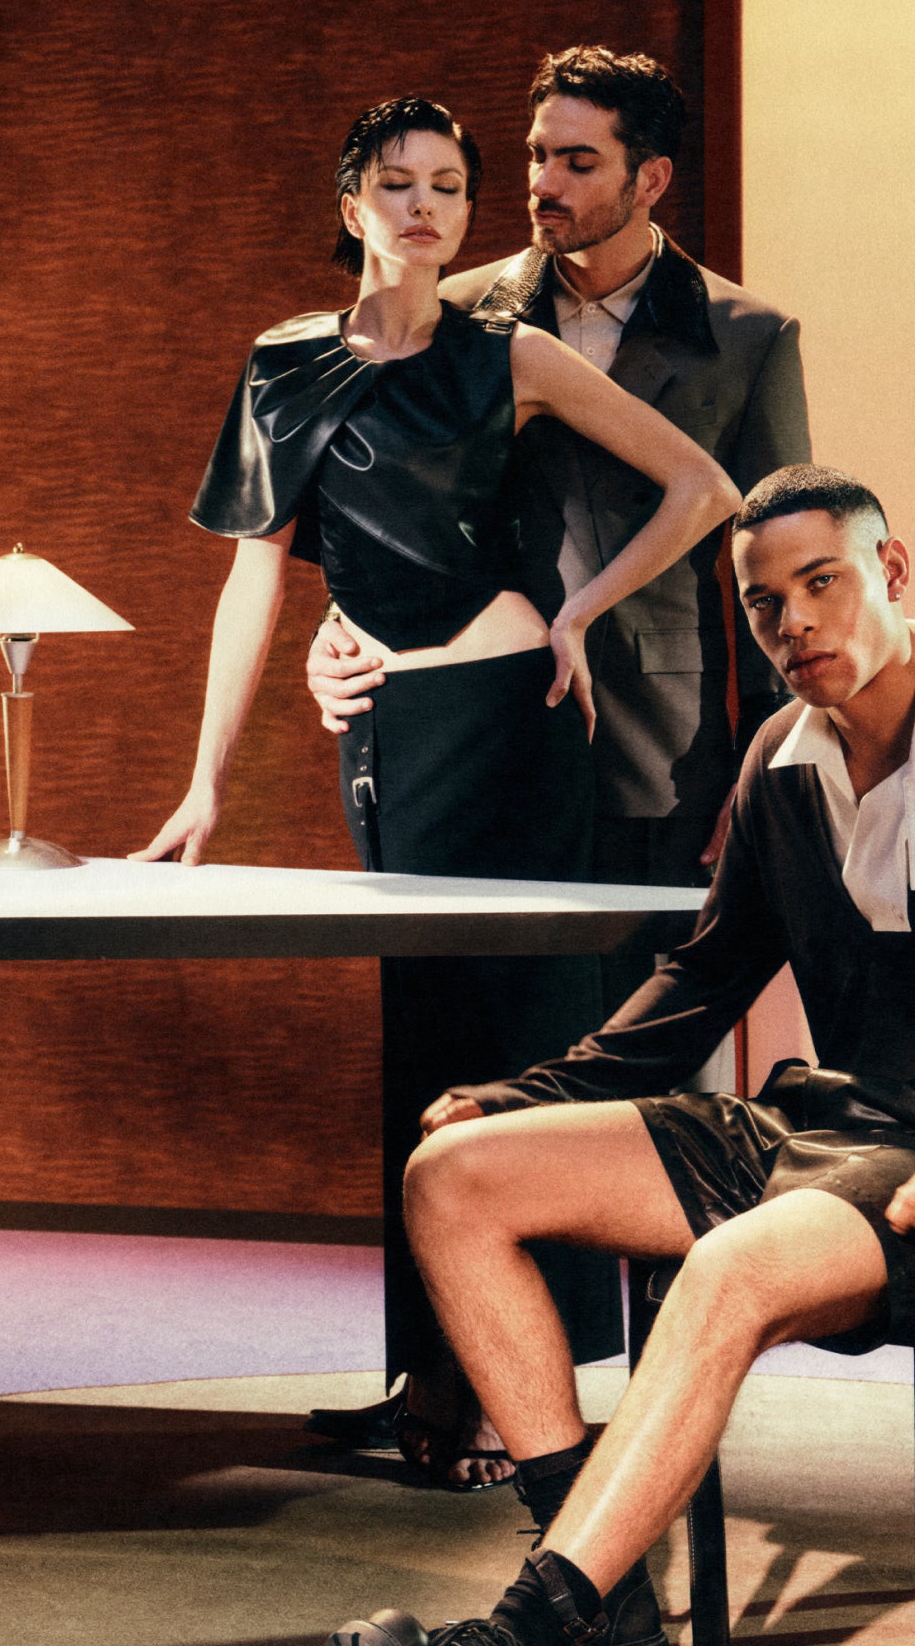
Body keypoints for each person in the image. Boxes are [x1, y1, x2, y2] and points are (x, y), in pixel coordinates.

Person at [324, 466, 915, 1646]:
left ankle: (531, 1625)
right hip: (813, 1129)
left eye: (821, 582)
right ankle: (605, 1599)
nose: (793, 622)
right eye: (764, 604)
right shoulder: (778, 760)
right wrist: (527, 1094)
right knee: (452, 1175)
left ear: (890, 572)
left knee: (722, 1272)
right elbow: (707, 976)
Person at [130, 96, 740, 1487]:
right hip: (388, 740)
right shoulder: (282, 363)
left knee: (518, 1049)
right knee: (423, 1047)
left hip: (515, 728)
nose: (426, 208)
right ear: (352, 205)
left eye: (451, 187)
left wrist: (579, 611)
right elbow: (252, 580)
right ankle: (431, 1370)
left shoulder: (508, 352)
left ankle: (506, 1397)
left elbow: (701, 488)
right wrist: (204, 784)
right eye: (399, 184)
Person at [303, 45, 814, 1488]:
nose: (540, 182)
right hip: (473, 736)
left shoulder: (748, 334)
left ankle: (647, 1404)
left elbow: (778, 551)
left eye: (575, 160)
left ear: (652, 179)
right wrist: (331, 646)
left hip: (657, 747)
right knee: (452, 1056)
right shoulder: (462, 307)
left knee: (628, 1076)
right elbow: (386, 526)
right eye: (534, 155)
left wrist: (770, 760)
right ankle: (444, 1376)